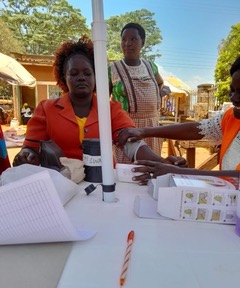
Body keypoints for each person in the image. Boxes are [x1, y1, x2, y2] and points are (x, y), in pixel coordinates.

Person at [12, 36, 185, 172]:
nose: (81, 77)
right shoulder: (46, 109)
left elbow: (132, 144)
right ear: (64, 77)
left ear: (96, 77)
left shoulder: (110, 109)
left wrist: (162, 161)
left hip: (103, 183)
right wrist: (26, 155)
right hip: (62, 182)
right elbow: (31, 148)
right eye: (74, 73)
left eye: (87, 73)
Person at [117, 55, 240, 181]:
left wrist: (181, 172)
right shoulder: (230, 117)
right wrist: (144, 132)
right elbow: (197, 129)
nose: (234, 98)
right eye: (232, 90)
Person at [108, 22, 164, 164]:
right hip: (126, 130)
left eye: (133, 39)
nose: (128, 43)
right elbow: (102, 99)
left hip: (151, 129)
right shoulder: (112, 69)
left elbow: (160, 83)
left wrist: (159, 95)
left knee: (153, 170)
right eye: (124, 40)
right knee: (127, 172)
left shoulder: (151, 67)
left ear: (143, 42)